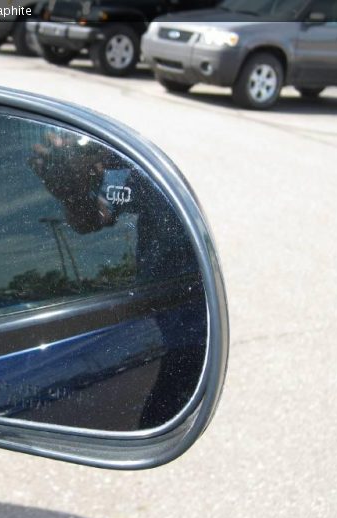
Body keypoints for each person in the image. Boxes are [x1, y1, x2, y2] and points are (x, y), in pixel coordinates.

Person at [28, 129, 207, 428]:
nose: (90, 158)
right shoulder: (125, 174)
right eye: (83, 152)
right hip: (159, 317)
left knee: (157, 421)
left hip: (187, 321)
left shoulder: (148, 172)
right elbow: (91, 222)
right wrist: (72, 194)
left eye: (89, 152)